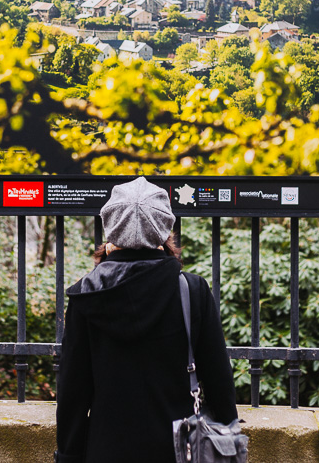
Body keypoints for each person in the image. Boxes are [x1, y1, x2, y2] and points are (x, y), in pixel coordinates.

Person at [55, 177, 238, 463]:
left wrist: (68, 456)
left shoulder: (86, 297)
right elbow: (219, 379)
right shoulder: (192, 291)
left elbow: (72, 393)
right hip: (180, 450)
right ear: (165, 228)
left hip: (106, 451)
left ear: (111, 229)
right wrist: (228, 442)